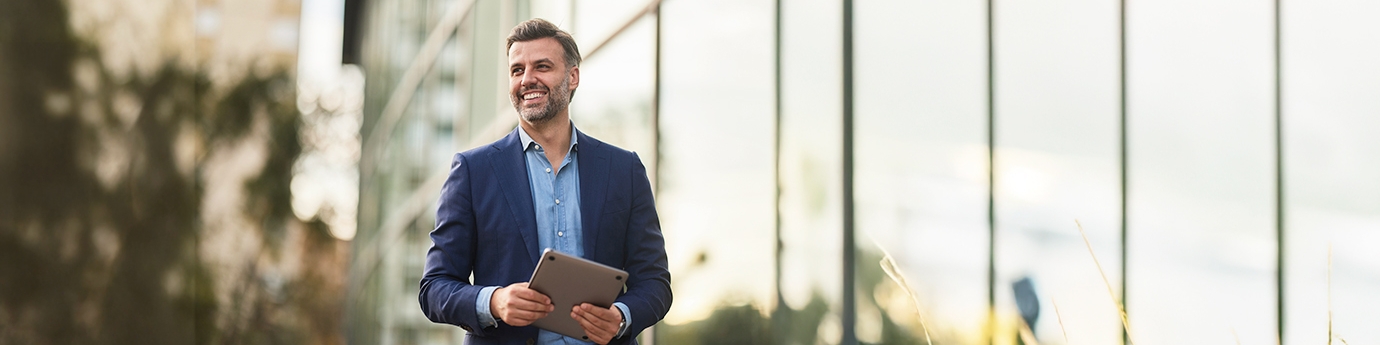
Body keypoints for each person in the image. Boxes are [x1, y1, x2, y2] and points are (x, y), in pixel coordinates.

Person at [419, 18, 672, 345]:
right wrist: (494, 301)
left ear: (573, 76)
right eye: (516, 70)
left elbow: (655, 282)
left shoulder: (624, 169)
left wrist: (622, 316)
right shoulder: (472, 170)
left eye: (542, 66)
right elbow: (434, 287)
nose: (527, 80)